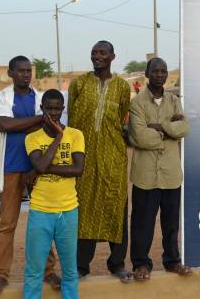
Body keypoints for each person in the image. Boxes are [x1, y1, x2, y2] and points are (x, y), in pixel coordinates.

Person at [0, 56, 60, 296]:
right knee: (7, 224)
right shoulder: (2, 97)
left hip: (37, 168)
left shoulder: (39, 97)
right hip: (10, 168)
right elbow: (5, 125)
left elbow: (48, 127)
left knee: (43, 222)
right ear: (10, 73)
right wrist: (39, 119)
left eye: (29, 71)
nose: (26, 75)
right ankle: (1, 274)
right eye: (21, 71)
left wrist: (21, 124)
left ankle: (49, 271)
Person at [68, 40, 132, 281]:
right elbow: (72, 121)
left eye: (102, 53)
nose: (97, 57)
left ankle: (117, 264)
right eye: (94, 53)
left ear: (112, 57)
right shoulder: (79, 84)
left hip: (113, 157)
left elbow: (121, 117)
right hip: (82, 157)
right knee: (83, 209)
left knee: (116, 206)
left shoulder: (122, 87)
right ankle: (81, 266)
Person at [128, 57, 192, 281]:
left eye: (163, 71)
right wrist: (168, 132)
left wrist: (160, 126)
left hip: (170, 174)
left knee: (171, 223)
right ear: (147, 74)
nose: (160, 75)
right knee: (141, 223)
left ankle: (172, 261)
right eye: (155, 71)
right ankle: (141, 264)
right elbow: (140, 137)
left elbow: (184, 127)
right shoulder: (137, 103)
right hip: (145, 174)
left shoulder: (174, 101)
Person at [24, 89, 84, 299]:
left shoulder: (76, 135)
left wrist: (42, 170)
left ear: (63, 109)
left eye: (57, 108)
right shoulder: (32, 138)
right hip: (40, 211)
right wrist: (58, 137)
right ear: (42, 109)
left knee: (69, 270)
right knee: (34, 270)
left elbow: (77, 170)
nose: (53, 113)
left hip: (68, 211)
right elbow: (39, 163)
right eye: (49, 108)